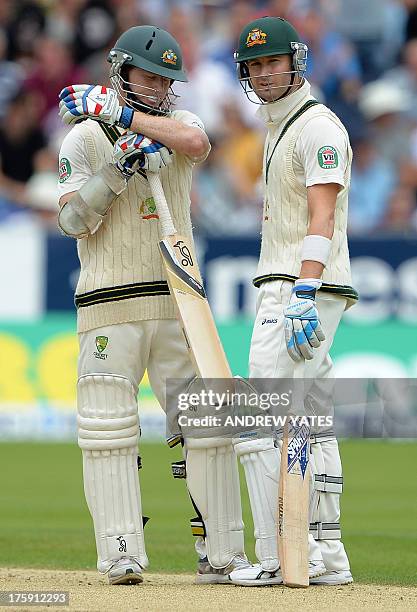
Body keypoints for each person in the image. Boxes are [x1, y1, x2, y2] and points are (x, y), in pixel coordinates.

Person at [57, 25, 248, 585]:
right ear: (121, 71)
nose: (160, 86)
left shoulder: (177, 126)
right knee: (108, 429)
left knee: (207, 423)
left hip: (177, 301)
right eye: (149, 75)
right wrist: (116, 169)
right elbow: (72, 221)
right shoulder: (84, 140)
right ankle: (121, 552)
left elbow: (197, 145)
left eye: (168, 79)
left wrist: (126, 118)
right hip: (107, 304)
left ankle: (221, 552)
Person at [230, 16, 357, 586]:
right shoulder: (278, 126)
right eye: (253, 66)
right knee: (311, 419)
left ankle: (280, 552)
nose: (262, 74)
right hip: (296, 282)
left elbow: (321, 216)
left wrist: (304, 289)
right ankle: (324, 554)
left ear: (295, 62)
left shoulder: (317, 127)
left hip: (300, 285)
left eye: (271, 62)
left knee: (263, 414)